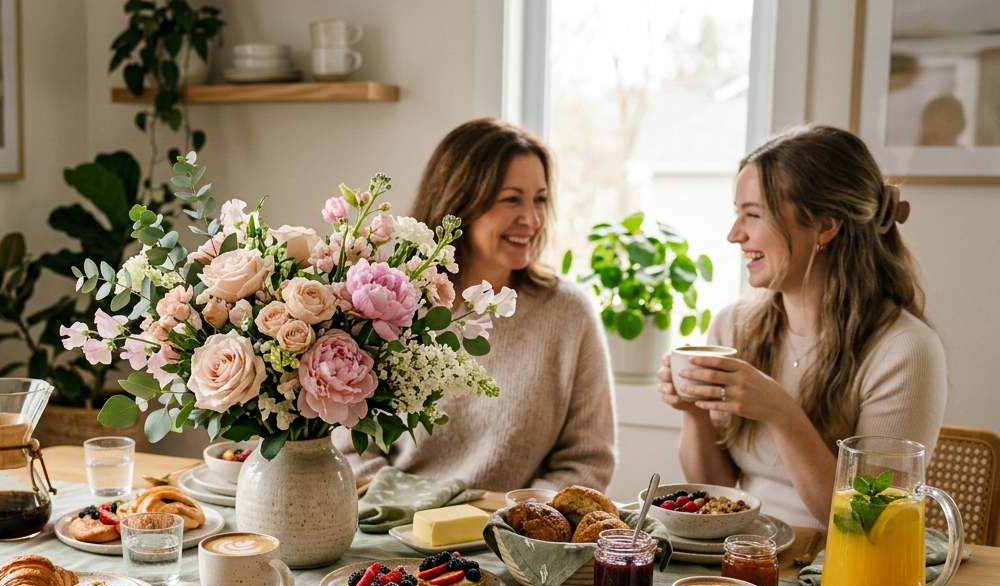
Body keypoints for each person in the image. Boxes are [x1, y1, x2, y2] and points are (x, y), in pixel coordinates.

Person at [657, 124, 947, 529]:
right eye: (736, 213)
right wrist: (693, 412)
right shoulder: (733, 326)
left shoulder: (905, 351)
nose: (734, 234)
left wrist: (783, 415)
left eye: (753, 214)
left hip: (835, 569)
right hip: (745, 554)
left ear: (825, 226)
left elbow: (870, 521)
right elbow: (715, 490)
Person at [335, 118, 617, 492]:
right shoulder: (386, 303)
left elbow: (588, 462)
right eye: (511, 199)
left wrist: (515, 517)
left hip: (510, 535)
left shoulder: (569, 314)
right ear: (460, 202)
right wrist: (408, 511)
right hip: (388, 526)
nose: (532, 219)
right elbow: (349, 443)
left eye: (540, 199)